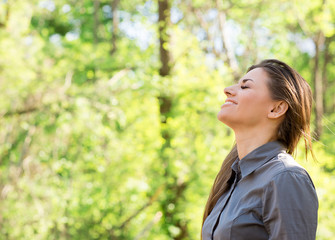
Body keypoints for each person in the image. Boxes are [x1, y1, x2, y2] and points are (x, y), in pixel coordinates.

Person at [201, 59, 318, 240]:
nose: (228, 90)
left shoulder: (286, 177)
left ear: (276, 108)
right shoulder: (232, 178)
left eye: (245, 87)